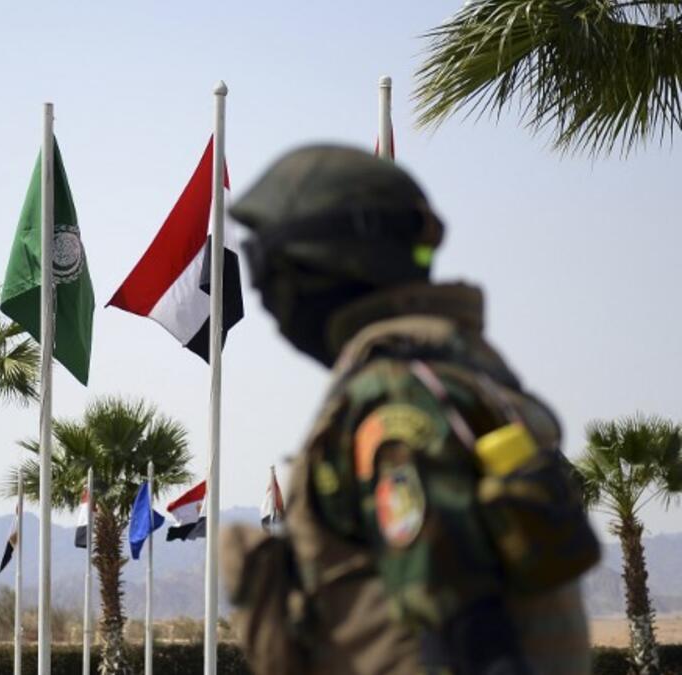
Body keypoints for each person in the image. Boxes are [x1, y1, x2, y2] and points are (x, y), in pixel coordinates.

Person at [222, 145, 599, 675]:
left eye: (269, 267)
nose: (265, 294)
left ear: (316, 266)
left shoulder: (396, 398)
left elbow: (467, 640)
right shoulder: (461, 370)